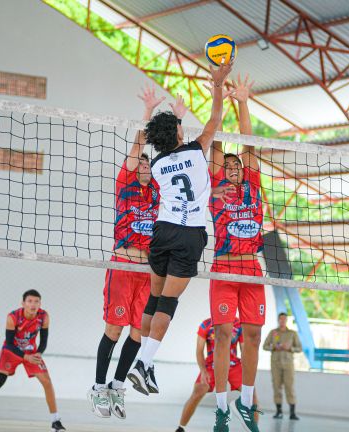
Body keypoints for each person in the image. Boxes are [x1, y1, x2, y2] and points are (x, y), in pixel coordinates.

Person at [128, 61, 234, 396]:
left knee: (154, 300)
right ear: (177, 134)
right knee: (167, 306)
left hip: (162, 232)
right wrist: (217, 84)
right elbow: (216, 119)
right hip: (188, 237)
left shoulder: (157, 164)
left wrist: (164, 117)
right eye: (179, 127)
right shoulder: (196, 150)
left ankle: (147, 362)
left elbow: (184, 182)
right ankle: (143, 364)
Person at [88, 85, 163, 419]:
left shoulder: (159, 192)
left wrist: (176, 121)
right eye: (140, 164)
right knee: (113, 330)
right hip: (122, 262)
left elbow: (173, 159)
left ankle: (118, 386)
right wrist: (147, 113)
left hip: (147, 271)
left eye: (148, 164)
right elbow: (136, 147)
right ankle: (98, 387)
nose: (144, 166)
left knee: (137, 332)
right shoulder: (125, 183)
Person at [207, 73, 265, 432]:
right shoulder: (216, 190)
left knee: (255, 336)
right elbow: (215, 143)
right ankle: (221, 407)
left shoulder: (253, 185)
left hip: (252, 271)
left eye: (236, 165)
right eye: (226, 166)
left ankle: (246, 400)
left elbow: (249, 146)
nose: (232, 168)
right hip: (224, 270)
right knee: (226, 334)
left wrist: (242, 101)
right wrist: (218, 94)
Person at [0, 290, 65, 432]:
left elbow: (44, 341)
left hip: (30, 352)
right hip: (11, 351)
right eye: (30, 301)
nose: (33, 304)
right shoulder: (13, 317)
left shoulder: (43, 316)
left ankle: (55, 421)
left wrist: (39, 353)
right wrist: (25, 357)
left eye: (36, 301)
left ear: (40, 303)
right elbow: (9, 343)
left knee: (47, 381)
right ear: (23, 303)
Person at [176, 317, 259, 432]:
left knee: (251, 394)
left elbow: (244, 349)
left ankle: (254, 427)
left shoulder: (238, 324)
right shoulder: (206, 325)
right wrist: (203, 370)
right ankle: (181, 427)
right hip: (211, 365)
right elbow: (199, 350)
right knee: (198, 391)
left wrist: (247, 371)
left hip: (234, 364)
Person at [263, 312, 302, 421]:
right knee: (276, 387)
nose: (282, 321)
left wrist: (290, 348)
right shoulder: (273, 332)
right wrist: (274, 347)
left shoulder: (292, 333)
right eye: (280, 319)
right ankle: (278, 411)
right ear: (278, 320)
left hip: (288, 364)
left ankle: (292, 413)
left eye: (284, 319)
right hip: (275, 364)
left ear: (286, 320)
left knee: (289, 387)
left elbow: (299, 348)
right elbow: (265, 346)